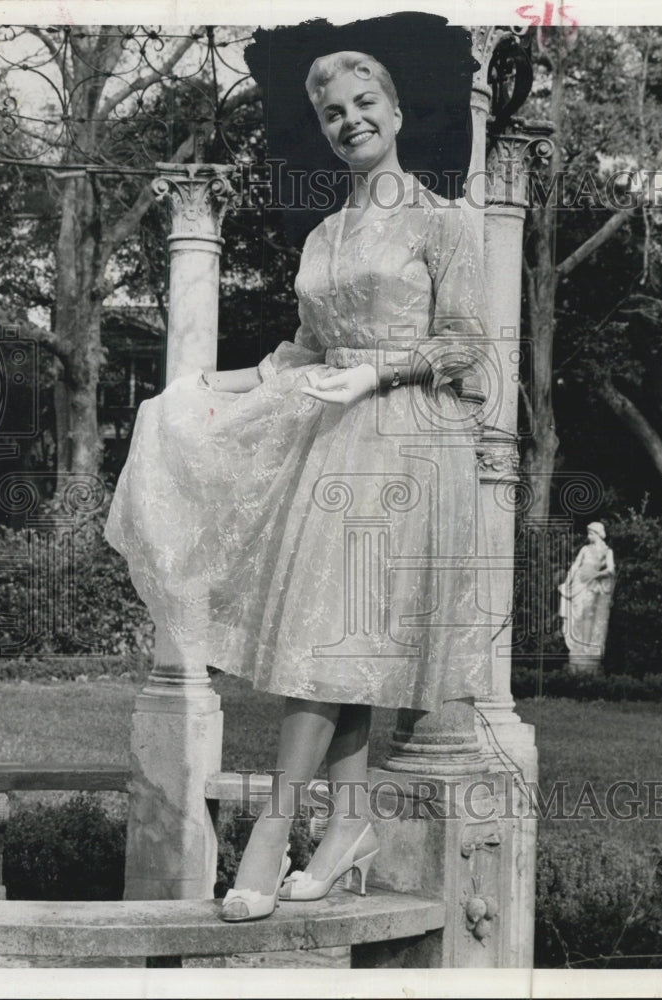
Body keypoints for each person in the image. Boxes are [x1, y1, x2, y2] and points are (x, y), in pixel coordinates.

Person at [105, 50, 492, 922]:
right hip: (331, 439)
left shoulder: (443, 222)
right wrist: (207, 388)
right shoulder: (324, 237)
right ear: (325, 129)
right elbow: (306, 354)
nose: (350, 119)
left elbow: (470, 344)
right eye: (332, 112)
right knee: (334, 644)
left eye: (365, 103)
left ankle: (272, 833)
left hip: (405, 447)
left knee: (322, 643)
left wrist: (378, 376)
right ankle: (348, 823)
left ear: (395, 114)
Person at [558, 521, 616, 671]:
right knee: (576, 616)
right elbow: (575, 566)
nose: (588, 536)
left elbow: (611, 570)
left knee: (588, 615)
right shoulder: (585, 549)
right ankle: (578, 647)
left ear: (597, 534)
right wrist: (566, 583)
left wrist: (595, 574)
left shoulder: (606, 551)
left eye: (590, 533)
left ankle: (586, 646)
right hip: (578, 583)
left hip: (592, 584)